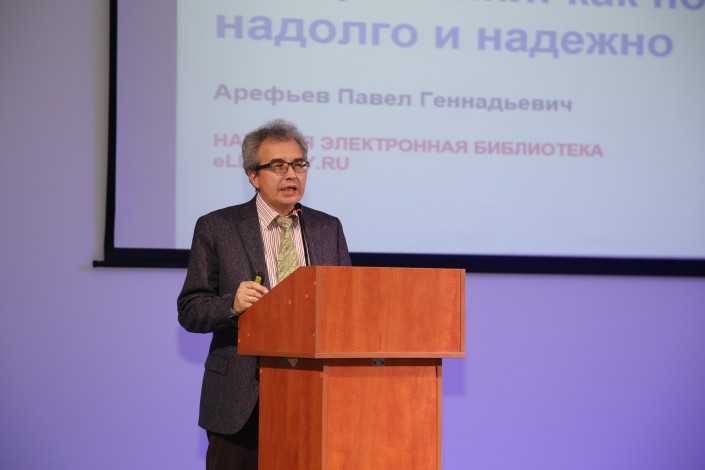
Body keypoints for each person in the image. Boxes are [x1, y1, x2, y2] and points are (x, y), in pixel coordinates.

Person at [177, 119, 351, 470]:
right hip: (241, 399)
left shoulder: (327, 228)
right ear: (253, 176)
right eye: (278, 166)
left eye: (299, 164)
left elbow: (347, 305)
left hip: (313, 394)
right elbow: (191, 310)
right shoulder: (217, 227)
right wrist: (231, 304)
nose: (292, 175)